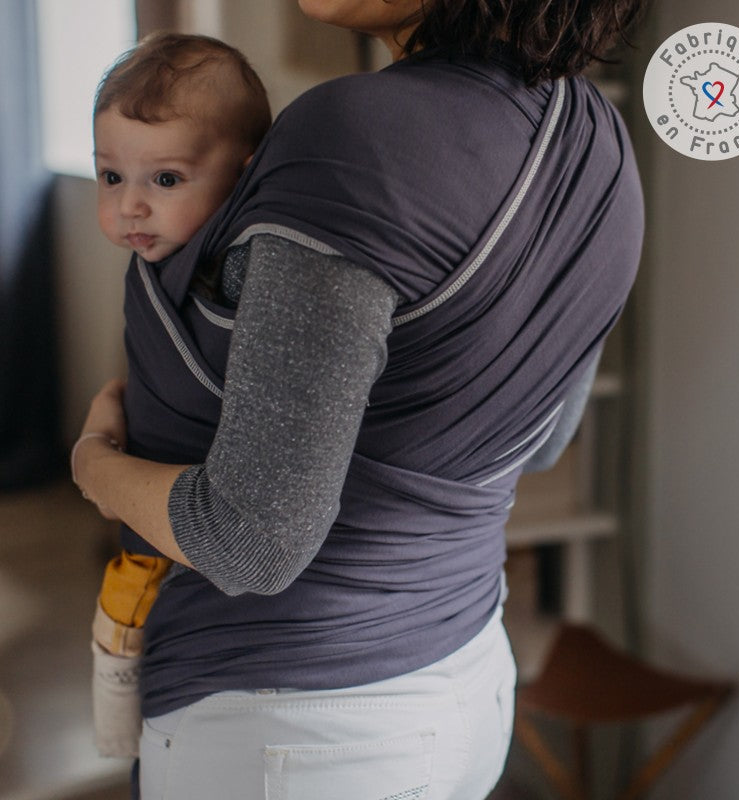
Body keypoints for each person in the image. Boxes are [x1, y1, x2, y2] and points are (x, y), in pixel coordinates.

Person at [71, 1, 646, 798]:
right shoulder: (597, 140)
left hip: (289, 728)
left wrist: (95, 466)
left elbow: (251, 541)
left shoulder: (352, 135)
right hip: (465, 674)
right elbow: (542, 441)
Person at [81, 32, 271, 759]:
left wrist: (94, 456)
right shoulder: (157, 268)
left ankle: (127, 738)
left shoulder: (247, 267)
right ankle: (118, 740)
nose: (130, 205)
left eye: (165, 179)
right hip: (143, 500)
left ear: (244, 174)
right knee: (120, 623)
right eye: (110, 176)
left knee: (147, 630)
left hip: (203, 507)